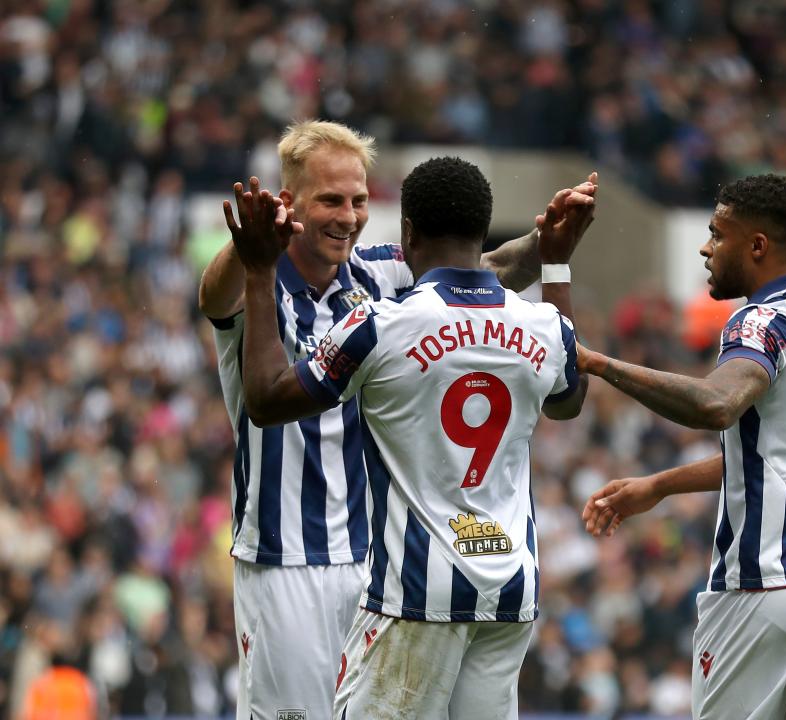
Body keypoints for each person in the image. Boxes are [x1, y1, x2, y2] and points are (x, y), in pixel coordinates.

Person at [200, 119, 597, 719]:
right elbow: (212, 296)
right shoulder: (258, 281)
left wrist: (545, 240)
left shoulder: (381, 274)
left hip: (378, 562)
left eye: (358, 200)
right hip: (286, 558)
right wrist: (248, 247)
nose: (348, 217)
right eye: (330, 200)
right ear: (290, 203)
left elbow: (481, 267)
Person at [579, 174, 786, 719]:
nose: (706, 248)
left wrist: (600, 363)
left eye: (718, 234)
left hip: (766, 587)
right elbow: (777, 457)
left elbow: (717, 404)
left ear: (757, 245)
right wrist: (660, 485)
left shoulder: (765, 318)